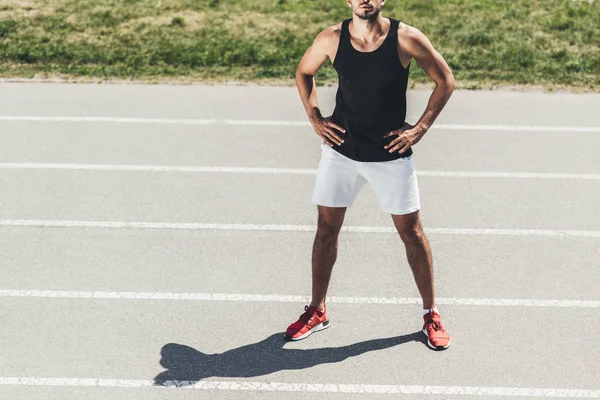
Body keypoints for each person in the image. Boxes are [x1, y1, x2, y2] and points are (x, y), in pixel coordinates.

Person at [286, 0, 455, 350]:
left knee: (412, 233)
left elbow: (445, 81)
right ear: (349, 1)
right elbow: (304, 72)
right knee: (326, 231)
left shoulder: (406, 38)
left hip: (390, 156)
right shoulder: (331, 38)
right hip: (341, 153)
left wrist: (419, 129)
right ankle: (317, 310)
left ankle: (431, 313)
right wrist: (315, 117)